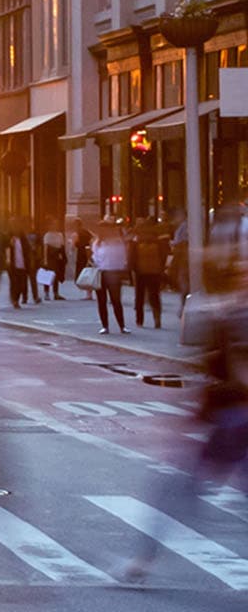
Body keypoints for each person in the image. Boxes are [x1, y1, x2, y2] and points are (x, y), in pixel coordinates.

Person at [123, 264, 248, 584]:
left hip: (234, 421)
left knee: (176, 491)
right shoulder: (226, 317)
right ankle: (142, 559)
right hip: (228, 420)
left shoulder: (230, 317)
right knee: (176, 490)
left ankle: (142, 559)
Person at [91, 220, 130, 335]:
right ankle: (105, 326)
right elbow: (95, 258)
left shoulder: (117, 242)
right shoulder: (97, 243)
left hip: (114, 273)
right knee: (101, 301)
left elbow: (122, 256)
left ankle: (122, 326)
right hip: (101, 273)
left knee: (116, 301)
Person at [131, 219, 169, 330]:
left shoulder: (136, 242)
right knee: (155, 296)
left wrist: (133, 268)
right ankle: (157, 319)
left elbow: (132, 257)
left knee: (139, 296)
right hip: (155, 271)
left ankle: (139, 320)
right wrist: (161, 268)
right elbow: (163, 256)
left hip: (140, 272)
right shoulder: (157, 241)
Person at [41, 220, 67, 301]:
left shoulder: (60, 235)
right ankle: (46, 293)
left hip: (57, 257)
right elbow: (45, 248)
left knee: (56, 275)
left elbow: (62, 247)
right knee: (48, 275)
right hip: (50, 257)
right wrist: (45, 260)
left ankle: (56, 293)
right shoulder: (47, 235)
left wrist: (64, 257)